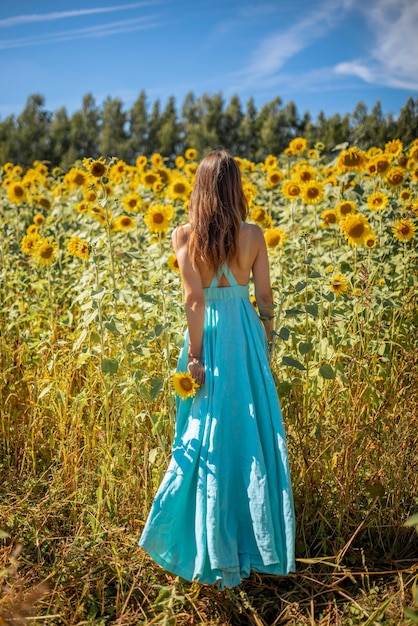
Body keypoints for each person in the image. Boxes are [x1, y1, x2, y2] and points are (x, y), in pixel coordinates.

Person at [139, 149, 295, 589]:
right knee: (251, 436)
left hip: (205, 337)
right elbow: (264, 298)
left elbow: (194, 301)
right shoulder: (254, 234)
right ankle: (255, 540)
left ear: (200, 188)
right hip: (243, 337)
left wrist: (194, 356)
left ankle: (204, 542)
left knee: (202, 438)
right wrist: (265, 339)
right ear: (236, 188)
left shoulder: (184, 237)